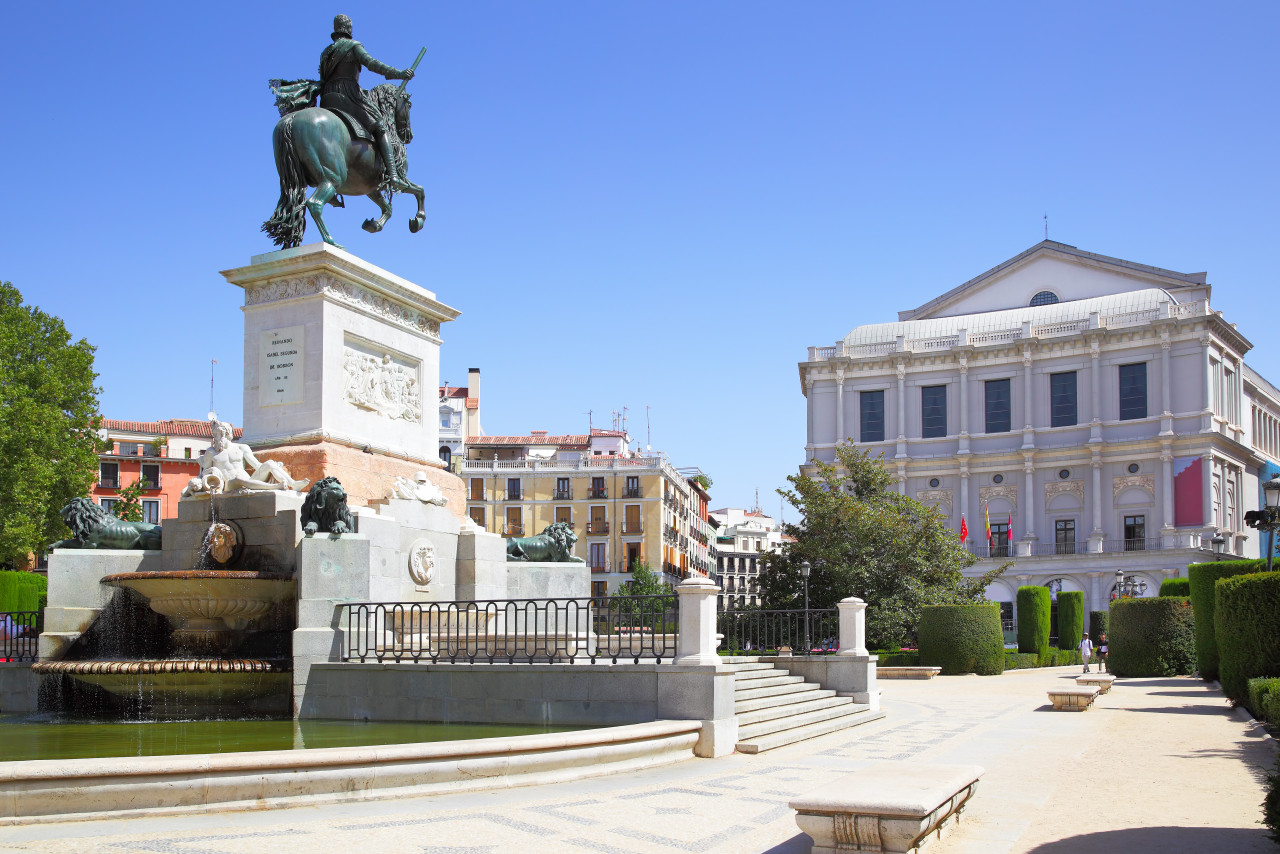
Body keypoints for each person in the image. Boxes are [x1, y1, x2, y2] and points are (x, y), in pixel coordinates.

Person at [319, 14, 416, 190]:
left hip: (327, 97)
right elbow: (373, 64)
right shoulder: (353, 46)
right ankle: (393, 175)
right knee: (380, 126)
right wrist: (399, 74)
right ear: (349, 29)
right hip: (347, 95)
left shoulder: (326, 52)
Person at [184, 419, 309, 495]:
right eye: (214, 434)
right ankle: (275, 487)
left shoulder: (242, 447)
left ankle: (293, 484)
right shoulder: (211, 452)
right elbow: (204, 473)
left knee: (269, 463)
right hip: (229, 484)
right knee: (239, 479)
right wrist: (190, 486)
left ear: (227, 434)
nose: (215, 437)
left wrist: (276, 467)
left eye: (218, 434)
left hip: (249, 479)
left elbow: (257, 466)